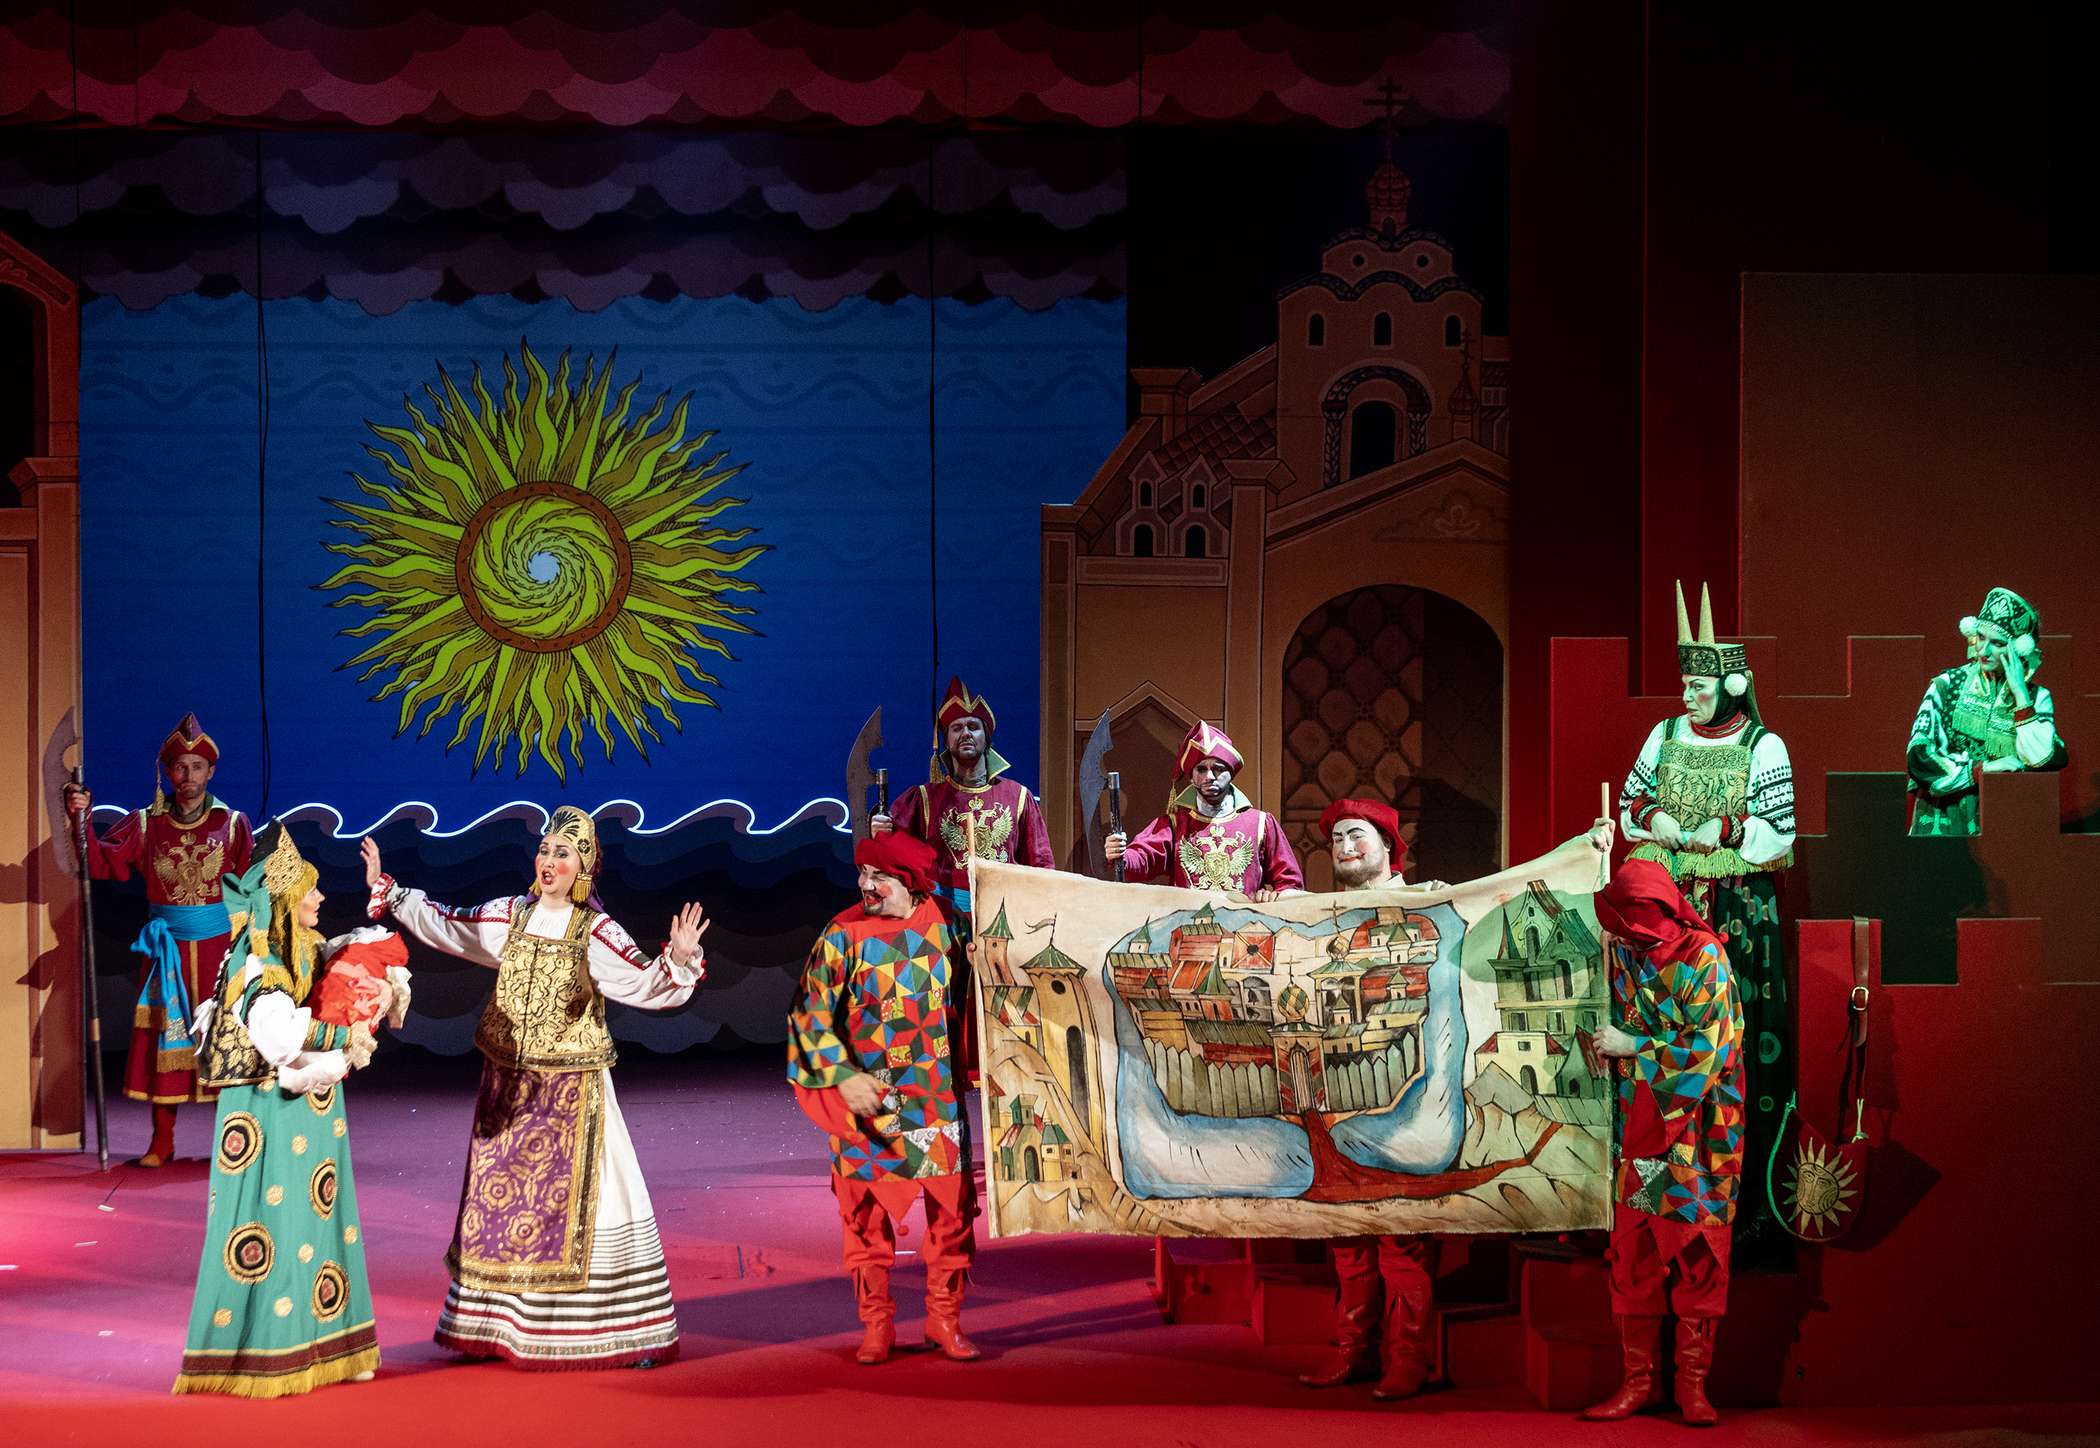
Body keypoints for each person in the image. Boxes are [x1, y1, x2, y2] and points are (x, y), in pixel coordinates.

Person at [362, 807, 708, 1369]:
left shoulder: (595, 931)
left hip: (572, 1090)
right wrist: (392, 892)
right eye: (545, 850)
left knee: (594, 1203)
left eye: (562, 854)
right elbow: (449, 924)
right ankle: (491, 1326)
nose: (549, 861)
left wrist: (680, 960)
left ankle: (621, 1330)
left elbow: (643, 981)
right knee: (500, 1202)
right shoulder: (509, 914)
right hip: (509, 1086)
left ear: (583, 868)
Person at [172, 823, 409, 1397]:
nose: (321, 897)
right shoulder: (259, 962)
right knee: (272, 1226)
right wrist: (345, 1036)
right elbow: (278, 1039)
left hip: (311, 1105)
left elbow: (350, 968)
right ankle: (269, 1350)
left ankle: (334, 1345)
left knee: (321, 1222)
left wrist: (380, 989)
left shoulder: (301, 946)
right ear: (283, 899)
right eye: (310, 889)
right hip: (267, 1108)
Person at [1616, 582, 1792, 1258]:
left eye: (1699, 685)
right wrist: (1654, 817)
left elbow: (1780, 832)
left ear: (1732, 686)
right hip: (1665, 909)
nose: (1687, 695)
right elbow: (1631, 803)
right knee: (1655, 1034)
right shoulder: (1662, 736)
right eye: (1685, 684)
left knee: (1723, 1045)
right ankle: (1653, 1197)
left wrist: (1727, 827)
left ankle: (1729, 1205)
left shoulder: (1764, 745)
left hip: (1734, 911)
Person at [788, 830, 976, 1366]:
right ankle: (877, 1323)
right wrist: (840, 1076)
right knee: (863, 1218)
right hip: (869, 1101)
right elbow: (807, 1014)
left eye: (880, 877)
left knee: (952, 1217)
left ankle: (944, 1319)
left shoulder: (949, 924)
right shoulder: (842, 934)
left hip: (935, 1096)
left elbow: (983, 988)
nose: (866, 885)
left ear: (912, 883)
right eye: (863, 874)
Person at [1584, 859, 1745, 1428]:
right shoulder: (1624, 953)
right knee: (1635, 1252)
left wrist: (1635, 1046)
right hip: (1643, 1128)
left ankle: (1693, 1387)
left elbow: (1713, 1047)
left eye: (1639, 932)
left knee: (1699, 1251)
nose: (1631, 940)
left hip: (1702, 1132)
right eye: (1624, 932)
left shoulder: (1707, 958)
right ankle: (1637, 1383)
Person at [1297, 797, 1442, 1399]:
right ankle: (1351, 1350)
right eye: (1335, 839)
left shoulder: (1427, 900)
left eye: (1357, 835)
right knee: (1346, 1235)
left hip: (1404, 1088)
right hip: (1338, 1088)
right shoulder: (1325, 915)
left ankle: (1409, 1358)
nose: (1344, 846)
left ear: (1387, 845)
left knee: (1401, 1233)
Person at [64, 712, 254, 1166]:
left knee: (225, 1037)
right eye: (180, 767)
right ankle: (162, 1141)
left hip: (220, 951)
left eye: (197, 767)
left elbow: (252, 888)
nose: (188, 776)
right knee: (163, 1039)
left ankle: (236, 1142)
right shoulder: (147, 823)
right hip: (166, 952)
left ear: (211, 772)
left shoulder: (232, 824)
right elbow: (101, 863)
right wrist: (80, 819)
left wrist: (257, 948)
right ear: (168, 773)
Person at [873, 674, 1055, 1077]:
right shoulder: (924, 799)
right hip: (943, 923)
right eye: (956, 728)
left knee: (1006, 1021)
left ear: (987, 737)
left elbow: (1041, 867)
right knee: (939, 1017)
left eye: (973, 726)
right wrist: (880, 831)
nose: (965, 733)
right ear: (947, 739)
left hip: (1002, 924)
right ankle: (938, 1087)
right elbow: (893, 862)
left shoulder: (1017, 798)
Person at [1907, 586, 2067, 836]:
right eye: (1981, 638)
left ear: (2018, 648)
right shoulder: (1947, 685)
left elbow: (2043, 759)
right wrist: (1982, 769)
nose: (1984, 650)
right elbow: (1920, 757)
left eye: (1998, 643)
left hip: (2008, 820)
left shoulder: (2037, 698)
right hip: (1946, 817)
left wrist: (2021, 695)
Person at [1104, 721, 1303, 898]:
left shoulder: (1261, 824)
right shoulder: (1174, 824)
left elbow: (1291, 885)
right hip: (1188, 925)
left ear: (1231, 773)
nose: (1209, 776)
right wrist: (1120, 854)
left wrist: (1271, 898)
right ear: (1191, 777)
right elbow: (1139, 861)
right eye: (1201, 769)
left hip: (1244, 926)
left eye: (1218, 768)